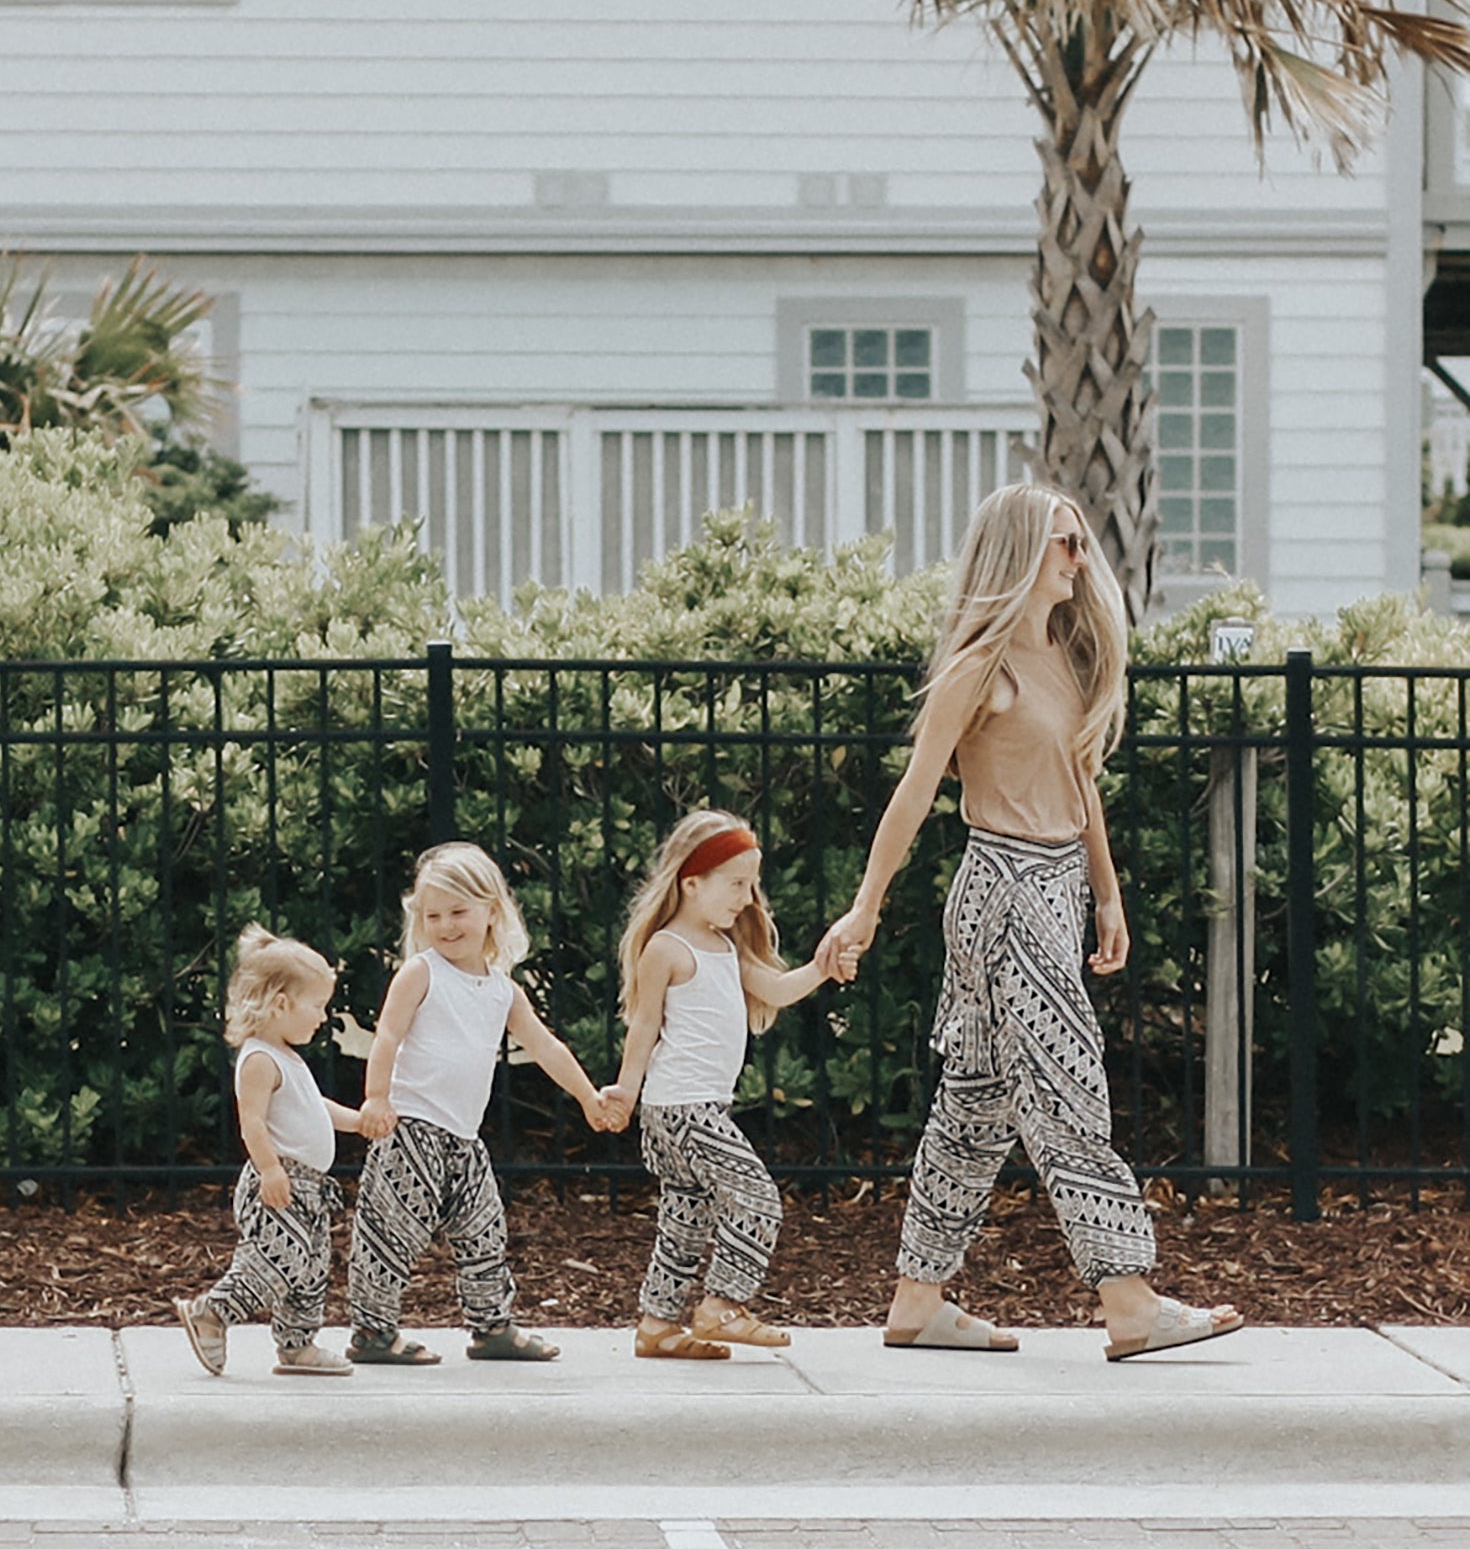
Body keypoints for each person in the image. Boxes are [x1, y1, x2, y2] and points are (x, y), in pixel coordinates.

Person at [816, 483, 1243, 1362]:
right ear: (1017, 553)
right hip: (1004, 889)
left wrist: (1109, 893)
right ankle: (1129, 1300)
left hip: (1055, 888)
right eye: (1064, 544)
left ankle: (917, 1300)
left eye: (1082, 543)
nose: (1079, 560)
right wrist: (865, 907)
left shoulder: (1062, 654)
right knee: (1066, 1090)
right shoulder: (983, 666)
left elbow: (1080, 782)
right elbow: (913, 792)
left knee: (975, 1108)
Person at [346, 841, 612, 1364]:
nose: (446, 926)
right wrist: (376, 1097)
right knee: (390, 1229)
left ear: (492, 910)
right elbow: (386, 1038)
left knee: (484, 1229)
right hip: (412, 1129)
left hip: (464, 1138)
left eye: (459, 912)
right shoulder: (421, 972)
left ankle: (492, 1326)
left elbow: (544, 1046)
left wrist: (587, 1094)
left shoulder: (503, 991)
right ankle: (371, 1331)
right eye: (433, 915)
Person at [604, 809, 847, 1361]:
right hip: (680, 1110)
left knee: (686, 1219)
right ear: (691, 882)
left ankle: (657, 1325)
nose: (747, 896)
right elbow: (643, 1027)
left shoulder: (727, 949)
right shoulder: (668, 948)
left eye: (752, 883)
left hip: (696, 1107)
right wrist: (624, 1090)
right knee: (757, 1198)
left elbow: (780, 991)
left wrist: (823, 967)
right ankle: (722, 1306)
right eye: (736, 883)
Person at [174, 925, 362, 1376]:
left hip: (310, 1188)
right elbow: (252, 1122)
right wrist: (270, 1170)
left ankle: (297, 1344)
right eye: (317, 1005)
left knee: (311, 1267)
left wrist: (357, 1122)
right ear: (281, 1004)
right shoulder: (259, 1059)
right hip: (282, 1182)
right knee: (276, 1261)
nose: (322, 1017)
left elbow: (312, 1108)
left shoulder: (288, 1058)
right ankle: (212, 1313)